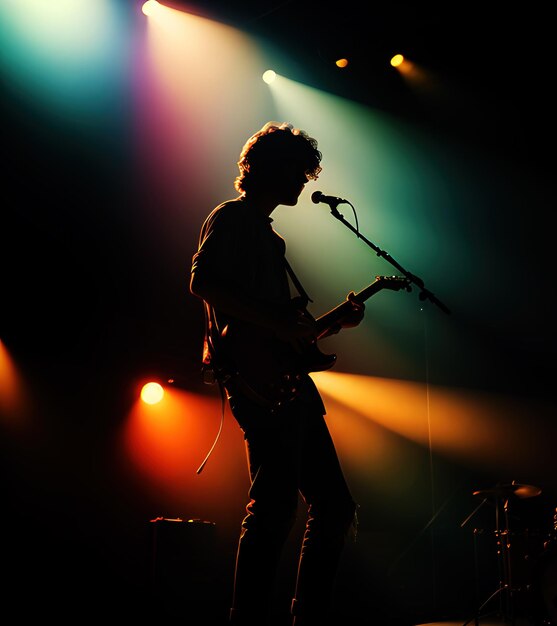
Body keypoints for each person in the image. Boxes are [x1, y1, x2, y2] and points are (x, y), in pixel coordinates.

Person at [189, 121, 365, 626]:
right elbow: (201, 282)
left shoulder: (269, 237)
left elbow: (286, 332)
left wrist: (332, 324)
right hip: (257, 381)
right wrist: (274, 324)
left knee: (332, 506)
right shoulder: (233, 218)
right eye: (298, 171)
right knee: (274, 507)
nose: (305, 182)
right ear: (269, 169)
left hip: (283, 379)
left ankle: (307, 618)